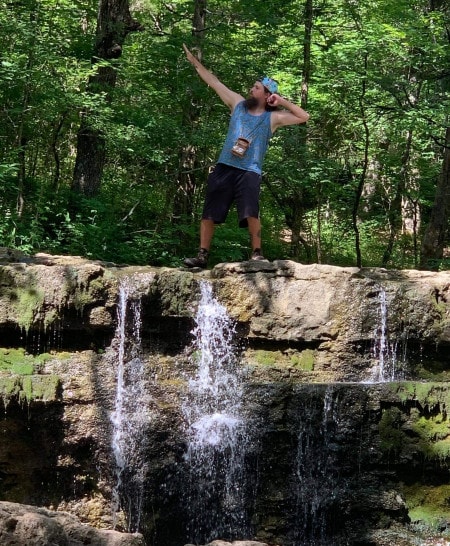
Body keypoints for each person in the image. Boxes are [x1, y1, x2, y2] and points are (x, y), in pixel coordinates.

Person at [182, 43, 309, 269]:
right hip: (224, 166)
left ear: (267, 94)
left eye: (257, 87)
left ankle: (257, 253)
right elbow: (214, 82)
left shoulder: (274, 118)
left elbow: (303, 116)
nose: (252, 89)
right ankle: (202, 255)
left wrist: (281, 101)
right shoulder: (238, 104)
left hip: (250, 171)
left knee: (251, 210)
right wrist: (194, 62)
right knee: (210, 211)